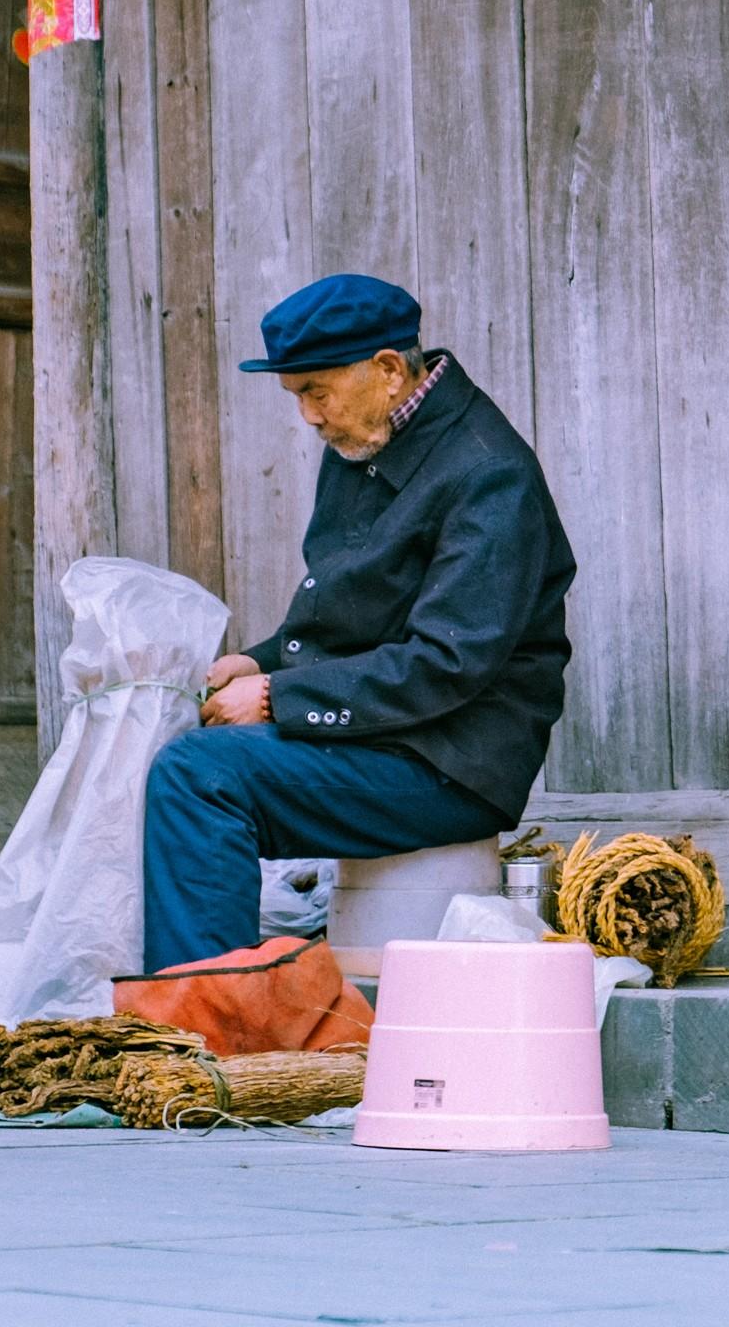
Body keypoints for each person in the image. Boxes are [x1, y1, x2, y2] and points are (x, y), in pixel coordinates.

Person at [140, 274, 577, 972]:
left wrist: (280, 697)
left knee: (200, 776)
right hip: (388, 736)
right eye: (297, 397)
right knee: (168, 743)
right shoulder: (366, 434)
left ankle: (210, 1023)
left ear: (388, 369)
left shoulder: (490, 475)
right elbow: (349, 618)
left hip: (447, 763)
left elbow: (444, 662)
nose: (309, 416)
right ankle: (190, 998)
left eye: (316, 391)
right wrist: (259, 664)